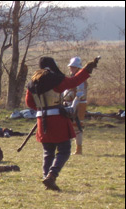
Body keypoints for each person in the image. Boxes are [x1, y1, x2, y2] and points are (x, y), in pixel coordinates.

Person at [25, 56, 97, 191]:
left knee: (48, 152)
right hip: (57, 119)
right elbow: (74, 81)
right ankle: (51, 176)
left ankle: (47, 177)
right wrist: (87, 69)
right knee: (64, 150)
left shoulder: (32, 82)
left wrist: (42, 110)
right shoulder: (55, 79)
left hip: (41, 119)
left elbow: (29, 103)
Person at [63, 56, 87, 155]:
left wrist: (73, 107)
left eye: (73, 67)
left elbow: (79, 95)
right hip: (68, 104)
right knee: (66, 127)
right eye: (71, 67)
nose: (71, 69)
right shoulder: (72, 78)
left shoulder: (80, 80)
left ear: (78, 68)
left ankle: (79, 149)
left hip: (78, 105)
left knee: (77, 127)